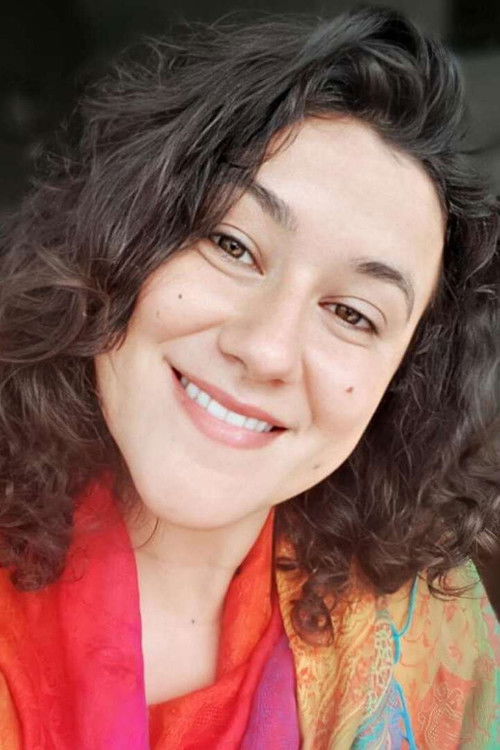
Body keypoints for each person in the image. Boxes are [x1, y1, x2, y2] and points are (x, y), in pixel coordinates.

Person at [0, 6, 498, 749]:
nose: (265, 349)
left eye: (353, 315)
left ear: (403, 387)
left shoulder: (430, 637)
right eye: (232, 245)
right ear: (121, 237)